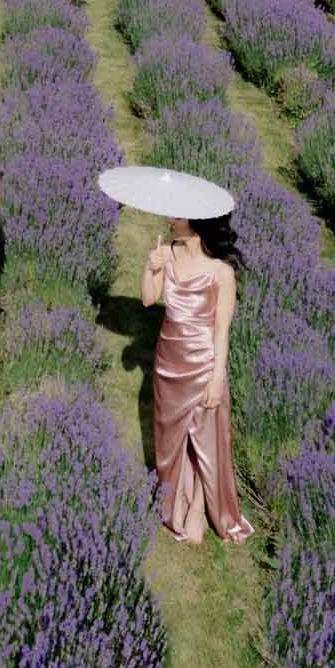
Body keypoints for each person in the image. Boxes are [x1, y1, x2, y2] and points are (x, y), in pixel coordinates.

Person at [140, 212, 253, 544]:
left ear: (197, 223)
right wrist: (152, 266)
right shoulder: (168, 251)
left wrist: (217, 377)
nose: (171, 218)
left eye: (179, 215)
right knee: (170, 439)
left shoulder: (222, 272)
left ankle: (199, 508)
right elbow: (148, 299)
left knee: (206, 442)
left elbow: (221, 331)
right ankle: (174, 500)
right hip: (167, 363)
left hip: (203, 365)